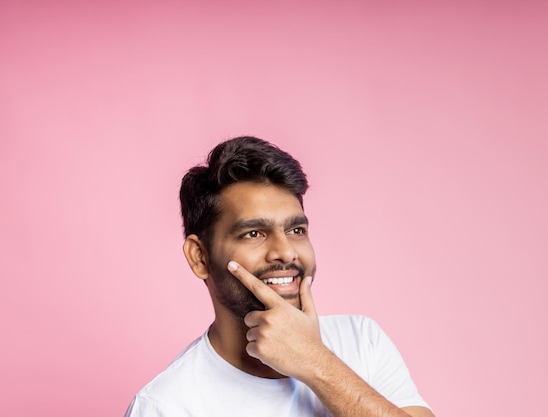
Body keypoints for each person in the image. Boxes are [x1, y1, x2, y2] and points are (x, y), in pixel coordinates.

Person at [124, 136, 435, 417]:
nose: (286, 252)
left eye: (296, 230)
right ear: (200, 257)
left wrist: (315, 362)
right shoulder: (166, 406)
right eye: (254, 233)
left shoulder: (362, 340)